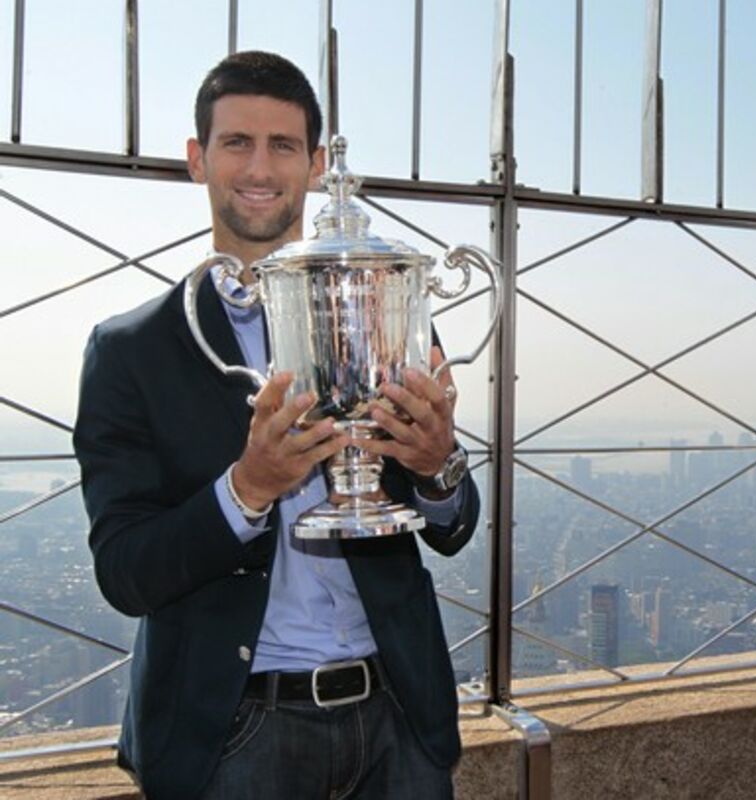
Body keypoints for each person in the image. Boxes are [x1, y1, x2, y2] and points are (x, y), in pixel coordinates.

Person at [73, 51, 478, 799]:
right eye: (237, 142)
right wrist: (248, 489)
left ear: (316, 165)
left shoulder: (382, 308)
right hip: (233, 735)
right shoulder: (132, 352)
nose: (260, 168)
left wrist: (436, 467)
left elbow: (455, 523)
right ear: (197, 159)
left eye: (283, 145)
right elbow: (125, 572)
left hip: (398, 717)